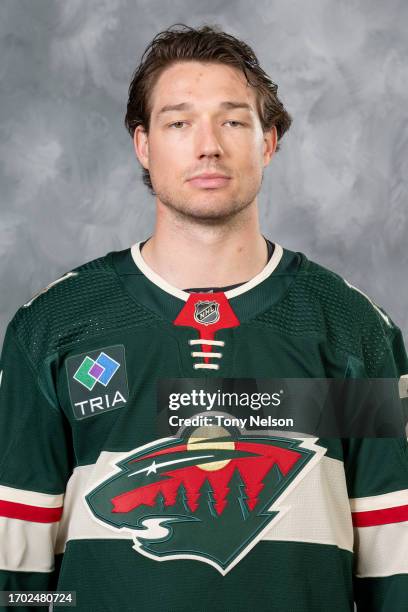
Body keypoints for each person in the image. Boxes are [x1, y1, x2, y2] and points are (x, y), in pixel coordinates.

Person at [0, 23, 407, 612]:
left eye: (234, 120)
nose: (208, 145)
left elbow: (394, 561)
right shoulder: (55, 327)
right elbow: (17, 572)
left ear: (269, 142)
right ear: (144, 145)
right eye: (178, 122)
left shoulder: (352, 331)